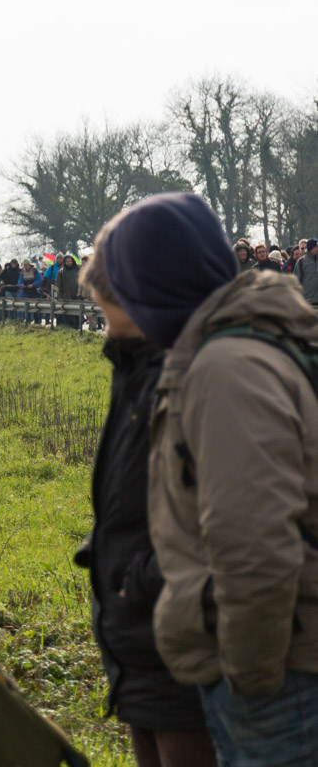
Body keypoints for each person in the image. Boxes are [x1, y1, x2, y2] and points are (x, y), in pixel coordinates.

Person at [100, 192, 318, 767]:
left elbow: (254, 544)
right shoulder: (239, 343)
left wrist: (248, 674)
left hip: (278, 675)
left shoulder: (226, 368)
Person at [71, 231, 217, 767]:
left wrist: (143, 578)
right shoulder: (133, 365)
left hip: (175, 632)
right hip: (136, 631)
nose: (99, 310)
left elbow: (226, 520)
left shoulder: (192, 377)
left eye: (106, 297)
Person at [294, 237, 318, 312]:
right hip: (308, 302)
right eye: (316, 247)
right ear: (311, 248)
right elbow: (296, 281)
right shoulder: (301, 262)